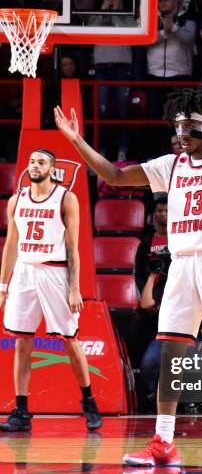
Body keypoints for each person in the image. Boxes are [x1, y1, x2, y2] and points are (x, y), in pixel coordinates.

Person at [54, 79, 202, 467]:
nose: (180, 134)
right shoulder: (172, 165)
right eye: (176, 127)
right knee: (171, 353)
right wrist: (77, 141)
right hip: (181, 264)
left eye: (187, 126)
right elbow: (114, 175)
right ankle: (163, 440)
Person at [0, 149, 103, 432]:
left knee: (71, 340)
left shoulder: (66, 199)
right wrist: (3, 286)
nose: (35, 166)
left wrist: (74, 288)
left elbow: (73, 247)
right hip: (24, 271)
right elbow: (10, 245)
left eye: (41, 162)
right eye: (32, 162)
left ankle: (89, 402)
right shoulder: (16, 200)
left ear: (52, 169)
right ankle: (21, 411)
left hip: (55, 272)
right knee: (22, 340)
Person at [89, 0, 135, 162]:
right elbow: (90, 35)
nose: (110, 1)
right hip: (102, 67)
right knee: (102, 112)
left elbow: (130, 35)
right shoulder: (96, 17)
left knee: (124, 111)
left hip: (122, 67)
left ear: (120, 2)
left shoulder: (127, 17)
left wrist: (115, 14)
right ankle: (101, 151)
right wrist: (102, 14)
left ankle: (122, 152)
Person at [134, 197, 170, 413]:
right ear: (153, 214)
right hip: (149, 310)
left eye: (167, 210)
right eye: (160, 210)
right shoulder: (145, 244)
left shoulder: (179, 240)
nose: (164, 214)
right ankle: (147, 401)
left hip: (172, 307)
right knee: (147, 361)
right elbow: (138, 276)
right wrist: (146, 302)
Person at [147, 0, 196, 117]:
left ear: (175, 1)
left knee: (180, 117)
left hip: (180, 75)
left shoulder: (186, 16)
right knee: (155, 115)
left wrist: (174, 29)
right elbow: (145, 41)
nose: (162, 3)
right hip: (155, 75)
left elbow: (190, 37)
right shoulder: (151, 17)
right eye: (160, 0)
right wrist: (164, 32)